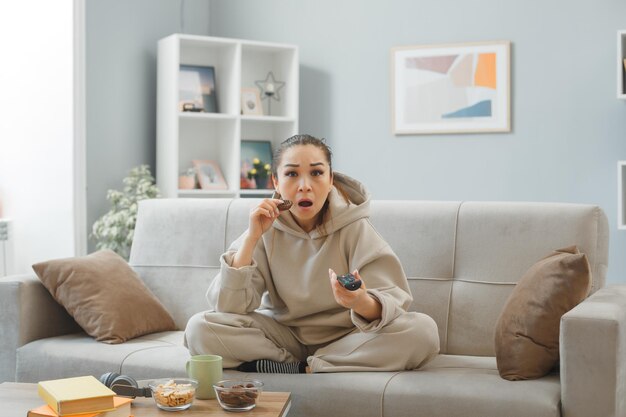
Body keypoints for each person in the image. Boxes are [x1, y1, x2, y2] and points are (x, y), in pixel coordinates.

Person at [184, 134, 439, 373]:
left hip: (349, 339)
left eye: (316, 173)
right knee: (199, 328)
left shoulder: (355, 228)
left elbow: (394, 304)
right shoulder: (265, 226)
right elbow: (229, 307)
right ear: (275, 181)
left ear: (330, 181)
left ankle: (310, 367)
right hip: (283, 337)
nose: (305, 186)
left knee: (423, 332)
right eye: (292, 174)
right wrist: (252, 238)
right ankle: (294, 366)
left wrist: (359, 301)